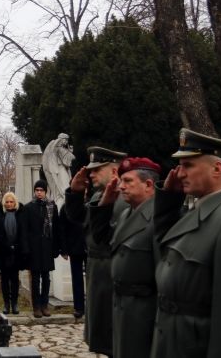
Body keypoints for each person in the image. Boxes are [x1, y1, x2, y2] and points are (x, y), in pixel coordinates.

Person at [153, 128, 221, 357]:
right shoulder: (204, 210)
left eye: (188, 165)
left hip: (198, 346)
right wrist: (168, 202)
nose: (179, 173)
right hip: (178, 342)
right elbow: (164, 252)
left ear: (217, 169)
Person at [91, 157, 161, 358]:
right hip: (121, 308)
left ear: (148, 184)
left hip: (144, 313)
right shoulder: (126, 214)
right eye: (121, 181)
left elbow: (162, 277)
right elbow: (101, 239)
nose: (121, 186)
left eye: (128, 181)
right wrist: (105, 204)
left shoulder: (157, 218)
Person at [64, 146, 127, 355]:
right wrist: (75, 192)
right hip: (96, 272)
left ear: (114, 171)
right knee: (102, 334)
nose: (91, 174)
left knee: (114, 335)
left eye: (97, 169)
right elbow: (79, 218)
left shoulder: (125, 199)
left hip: (111, 273)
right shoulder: (97, 196)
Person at [20, 179, 61, 318]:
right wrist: (26, 248)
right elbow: (24, 230)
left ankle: (45, 305)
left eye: (41, 190)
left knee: (46, 277)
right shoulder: (28, 207)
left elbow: (56, 228)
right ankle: (36, 306)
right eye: (37, 190)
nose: (39, 193)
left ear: (45, 192)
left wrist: (57, 248)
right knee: (36, 278)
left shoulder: (51, 207)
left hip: (47, 247)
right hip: (34, 248)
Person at [0, 192, 23, 314]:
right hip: (3, 251)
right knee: (4, 279)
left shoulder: (20, 214)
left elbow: (23, 231)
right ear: (4, 203)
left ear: (15, 202)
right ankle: (6, 304)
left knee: (15, 278)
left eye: (11, 202)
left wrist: (17, 245)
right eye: (7, 202)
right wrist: (5, 245)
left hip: (16, 251)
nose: (9, 204)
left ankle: (14, 304)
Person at [58, 202, 86, 318]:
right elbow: (62, 228)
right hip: (74, 247)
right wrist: (63, 250)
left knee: (94, 279)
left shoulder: (92, 203)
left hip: (92, 247)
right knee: (76, 278)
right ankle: (79, 307)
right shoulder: (66, 207)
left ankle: (93, 306)